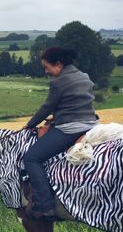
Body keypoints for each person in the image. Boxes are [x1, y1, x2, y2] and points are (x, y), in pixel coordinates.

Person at [23, 47, 97, 219]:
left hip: (70, 129)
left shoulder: (58, 82)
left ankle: (45, 206)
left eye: (47, 67)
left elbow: (47, 108)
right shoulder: (84, 76)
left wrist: (30, 124)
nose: (46, 71)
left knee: (32, 158)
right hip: (92, 125)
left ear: (58, 64)